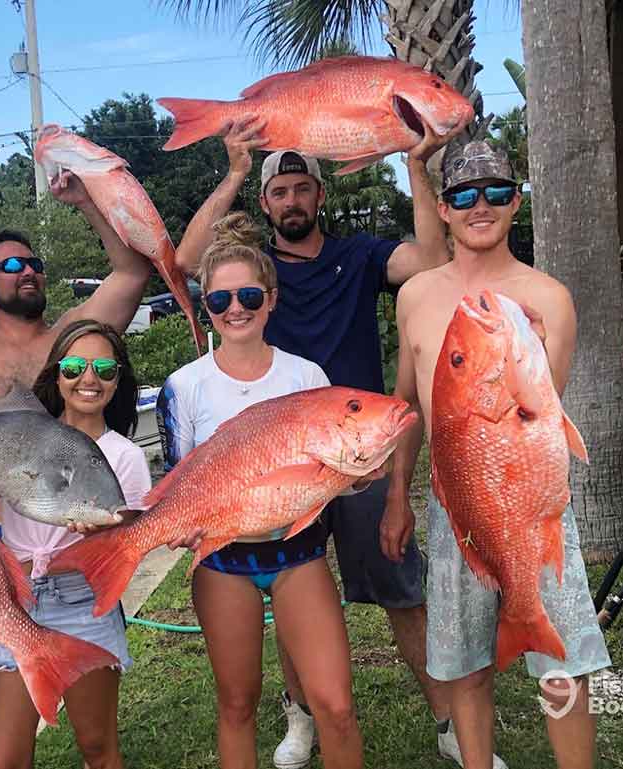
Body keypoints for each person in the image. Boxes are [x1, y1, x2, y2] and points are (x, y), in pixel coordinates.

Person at [174, 120, 501, 769]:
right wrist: (237, 172)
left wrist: (414, 167)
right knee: (295, 574)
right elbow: (186, 262)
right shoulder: (255, 274)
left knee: (399, 584)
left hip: (356, 447)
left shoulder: (358, 256)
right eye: (279, 192)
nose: (291, 200)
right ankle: (300, 716)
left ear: (318, 195)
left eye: (301, 188)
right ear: (266, 205)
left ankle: (444, 716)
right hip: (276, 456)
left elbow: (432, 262)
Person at [382, 141, 611, 769]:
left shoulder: (549, 298)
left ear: (516, 201)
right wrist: (398, 496)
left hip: (533, 508)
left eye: (494, 193)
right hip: (455, 507)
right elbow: (406, 405)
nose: (478, 206)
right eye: (462, 195)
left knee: (566, 665)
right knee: (463, 665)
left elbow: (542, 424)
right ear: (442, 207)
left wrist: (524, 361)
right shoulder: (416, 296)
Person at [159, 212, 379, 769]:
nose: (236, 309)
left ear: (272, 300)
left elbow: (326, 481)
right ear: (205, 306)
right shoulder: (183, 387)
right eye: (220, 300)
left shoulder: (307, 377)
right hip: (223, 563)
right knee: (237, 704)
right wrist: (173, 525)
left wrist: (358, 478)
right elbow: (178, 481)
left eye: (250, 296)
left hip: (297, 556)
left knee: (336, 705)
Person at [0, 319, 148, 769]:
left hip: (83, 603)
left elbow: (126, 547)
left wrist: (100, 540)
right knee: (6, 759)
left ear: (119, 380)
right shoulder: (22, 430)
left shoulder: (126, 457)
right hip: (18, 602)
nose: (89, 379)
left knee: (98, 748)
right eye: (75, 366)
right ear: (57, 373)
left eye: (104, 369)